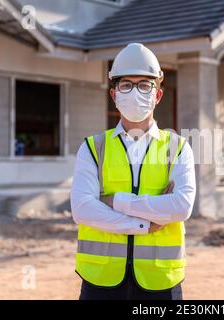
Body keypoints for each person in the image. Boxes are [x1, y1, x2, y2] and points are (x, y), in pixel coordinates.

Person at [70, 43, 196, 300]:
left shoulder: (178, 147)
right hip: (100, 280)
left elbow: (181, 206)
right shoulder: (93, 148)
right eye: (126, 85)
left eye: (144, 85)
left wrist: (116, 200)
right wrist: (141, 224)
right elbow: (82, 208)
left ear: (157, 95)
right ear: (114, 94)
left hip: (160, 282)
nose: (135, 92)